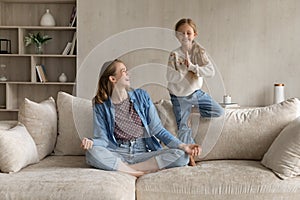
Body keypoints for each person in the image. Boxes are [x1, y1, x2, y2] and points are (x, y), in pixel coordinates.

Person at [81, 59, 201, 177]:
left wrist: (183, 146)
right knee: (92, 153)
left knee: (181, 155)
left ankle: (127, 169)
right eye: (123, 71)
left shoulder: (141, 97)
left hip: (142, 152)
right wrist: (92, 142)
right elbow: (103, 139)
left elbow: (158, 130)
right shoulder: (100, 105)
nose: (128, 73)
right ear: (113, 79)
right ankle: (138, 169)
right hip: (118, 151)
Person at [166, 18, 224, 166]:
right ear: (176, 36)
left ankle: (192, 110)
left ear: (195, 34)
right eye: (181, 33)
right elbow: (170, 77)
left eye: (188, 33)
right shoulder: (174, 54)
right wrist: (183, 70)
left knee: (218, 111)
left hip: (195, 93)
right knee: (183, 127)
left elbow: (210, 72)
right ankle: (190, 157)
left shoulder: (199, 52)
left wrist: (193, 67)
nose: (185, 36)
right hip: (179, 96)